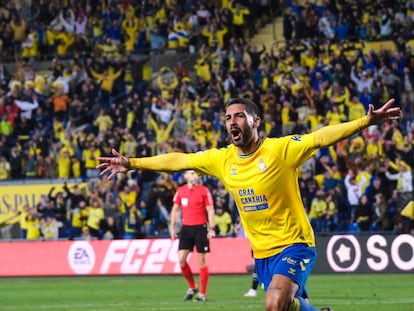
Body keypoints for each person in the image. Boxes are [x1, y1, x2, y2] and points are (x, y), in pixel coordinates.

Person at [97, 97, 401, 311]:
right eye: (228, 117)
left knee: (273, 304)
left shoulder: (280, 150)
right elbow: (180, 160)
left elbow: (319, 138)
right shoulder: (222, 159)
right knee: (286, 307)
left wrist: (366, 122)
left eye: (239, 115)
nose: (232, 121)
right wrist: (133, 162)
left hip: (294, 243)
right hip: (262, 253)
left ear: (255, 121)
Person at [169, 170, 215, 302]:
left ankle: (202, 293)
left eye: (195, 173)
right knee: (181, 260)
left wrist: (211, 228)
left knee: (201, 260)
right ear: (185, 176)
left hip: (200, 228)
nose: (194, 176)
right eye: (191, 173)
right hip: (186, 229)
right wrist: (172, 227)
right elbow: (175, 209)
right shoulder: (181, 191)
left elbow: (210, 209)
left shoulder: (204, 190)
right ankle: (193, 286)